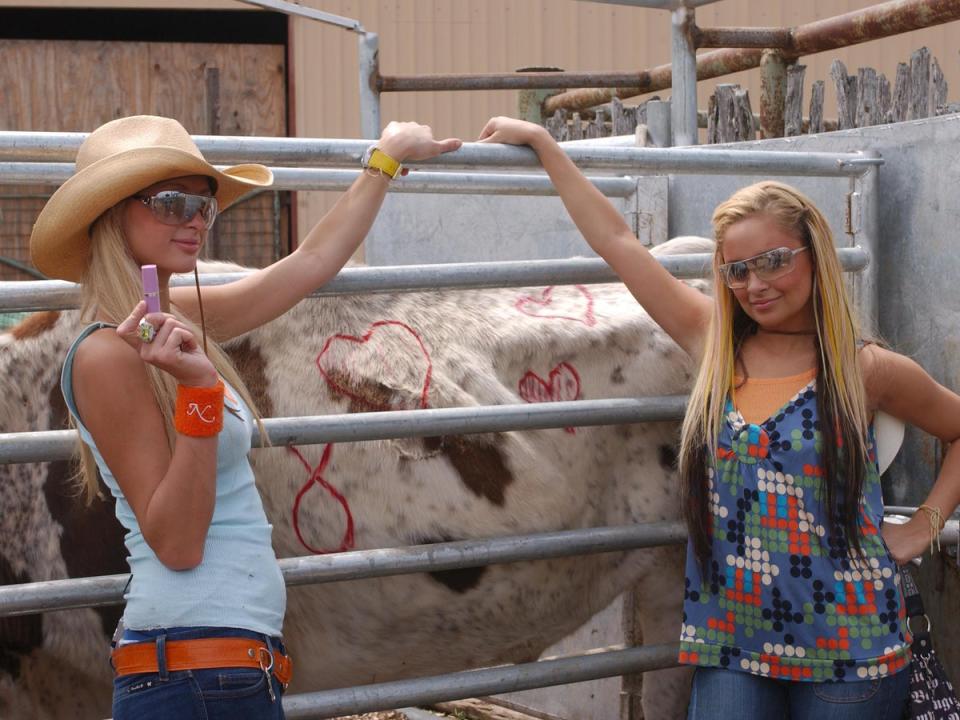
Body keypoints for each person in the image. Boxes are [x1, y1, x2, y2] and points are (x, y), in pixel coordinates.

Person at [477, 116, 960, 719]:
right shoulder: (713, 343)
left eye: (773, 261)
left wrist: (927, 524)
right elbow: (618, 244)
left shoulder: (867, 369)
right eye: (736, 270)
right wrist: (547, 147)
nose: (754, 284)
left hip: (850, 643)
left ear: (815, 255)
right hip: (734, 639)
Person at [29, 114, 460, 719]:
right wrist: (201, 390)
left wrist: (383, 163)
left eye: (205, 207)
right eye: (172, 202)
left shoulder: (173, 321)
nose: (195, 221)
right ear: (111, 213)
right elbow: (177, 542)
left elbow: (308, 264)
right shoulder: (106, 353)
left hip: (219, 667)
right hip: (192, 670)